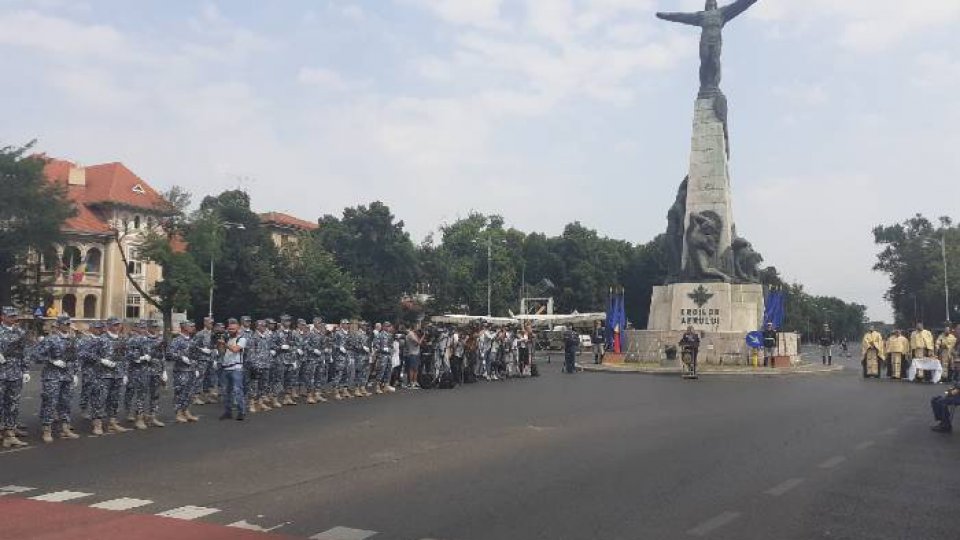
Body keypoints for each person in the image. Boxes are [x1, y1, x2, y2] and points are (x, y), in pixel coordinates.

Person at [35, 315, 81, 443]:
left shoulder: (72, 340)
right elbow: (37, 355)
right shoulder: (51, 339)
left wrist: (75, 373)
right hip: (52, 376)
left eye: (68, 324)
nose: (67, 326)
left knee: (66, 403)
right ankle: (47, 429)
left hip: (68, 376)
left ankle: (65, 428)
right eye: (64, 324)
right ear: (59, 325)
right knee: (50, 402)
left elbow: (75, 357)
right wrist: (52, 361)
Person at [0, 307, 30, 448]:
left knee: (13, 404)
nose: (13, 318)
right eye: (10, 316)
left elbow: (25, 352)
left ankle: (10, 433)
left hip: (15, 373)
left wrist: (26, 370)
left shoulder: (20, 332)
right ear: (3, 317)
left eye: (14, 316)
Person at [96, 317, 129, 434]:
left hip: (118, 374)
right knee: (101, 399)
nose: (117, 327)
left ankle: (112, 422)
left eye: (118, 325)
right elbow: (88, 355)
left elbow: (125, 357)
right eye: (115, 325)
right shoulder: (101, 339)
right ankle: (98, 424)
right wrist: (101, 360)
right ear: (108, 326)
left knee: (115, 400)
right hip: (104, 374)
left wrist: (125, 373)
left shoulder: (122, 339)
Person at [167, 321, 200, 424]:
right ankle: (178, 413)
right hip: (181, 371)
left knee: (189, 393)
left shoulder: (192, 340)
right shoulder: (177, 340)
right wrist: (181, 357)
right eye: (191, 326)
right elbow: (169, 354)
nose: (193, 327)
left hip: (191, 370)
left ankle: (186, 411)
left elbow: (195, 355)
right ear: (184, 327)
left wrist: (196, 368)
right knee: (179, 392)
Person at [220, 319, 247, 421]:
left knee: (237, 390)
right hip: (226, 367)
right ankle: (228, 412)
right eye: (229, 329)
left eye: (233, 329)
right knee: (226, 392)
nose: (230, 330)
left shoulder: (241, 339)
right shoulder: (228, 339)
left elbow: (235, 349)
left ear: (238, 329)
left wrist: (225, 344)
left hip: (236, 368)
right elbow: (222, 352)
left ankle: (241, 412)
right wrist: (220, 344)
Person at [374, 321, 396, 394]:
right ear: (383, 327)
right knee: (381, 371)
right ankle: (377, 386)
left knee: (388, 370)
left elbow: (391, 345)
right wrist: (382, 349)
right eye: (386, 326)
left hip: (389, 355)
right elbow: (376, 345)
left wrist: (391, 350)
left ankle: (386, 386)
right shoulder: (379, 335)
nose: (388, 327)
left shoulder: (390, 335)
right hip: (382, 355)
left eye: (389, 326)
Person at [404, 325, 422, 389]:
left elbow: (417, 344)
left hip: (416, 353)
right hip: (412, 353)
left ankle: (414, 382)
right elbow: (418, 342)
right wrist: (423, 336)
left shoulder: (414, 334)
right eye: (416, 328)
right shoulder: (410, 334)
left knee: (416, 369)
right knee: (412, 369)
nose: (417, 329)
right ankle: (411, 383)